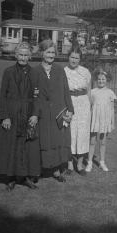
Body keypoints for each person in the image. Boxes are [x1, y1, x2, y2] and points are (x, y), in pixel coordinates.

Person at [0, 42, 41, 191]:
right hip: (12, 115)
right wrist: (5, 116)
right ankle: (11, 178)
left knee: (26, 147)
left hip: (28, 113)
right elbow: (2, 96)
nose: (23, 57)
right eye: (20, 54)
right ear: (16, 55)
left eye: (26, 55)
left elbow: (37, 97)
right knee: (11, 146)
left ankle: (25, 177)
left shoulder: (34, 73)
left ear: (30, 56)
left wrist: (35, 114)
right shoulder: (8, 72)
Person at [32, 39, 74, 182]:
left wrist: (70, 110)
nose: (51, 55)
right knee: (43, 141)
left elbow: (66, 91)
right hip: (42, 113)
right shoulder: (35, 71)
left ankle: (56, 171)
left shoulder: (59, 69)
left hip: (58, 111)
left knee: (57, 141)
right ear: (42, 53)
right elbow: (33, 94)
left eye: (52, 52)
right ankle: (38, 170)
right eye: (48, 52)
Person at [64, 46, 91, 176]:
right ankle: (69, 164)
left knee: (82, 134)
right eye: (72, 57)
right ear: (68, 57)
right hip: (69, 104)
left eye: (77, 58)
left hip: (83, 104)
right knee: (70, 133)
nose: (74, 60)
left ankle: (79, 165)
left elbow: (89, 90)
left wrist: (90, 106)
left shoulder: (85, 72)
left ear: (80, 59)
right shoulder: (63, 71)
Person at [85, 67, 117, 172]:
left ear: (107, 80)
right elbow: (89, 108)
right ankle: (89, 162)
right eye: (99, 79)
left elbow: (112, 109)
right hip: (94, 120)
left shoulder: (110, 93)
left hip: (105, 121)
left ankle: (102, 162)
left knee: (103, 142)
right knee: (92, 141)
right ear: (96, 80)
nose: (101, 81)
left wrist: (112, 123)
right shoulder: (92, 92)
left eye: (103, 79)